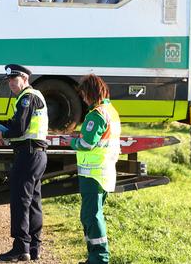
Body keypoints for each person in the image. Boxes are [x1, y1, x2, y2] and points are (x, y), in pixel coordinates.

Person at [0, 64, 48, 262]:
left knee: (20, 201)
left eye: (14, 81)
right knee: (33, 201)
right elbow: (21, 126)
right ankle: (34, 247)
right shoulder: (33, 96)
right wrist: (7, 134)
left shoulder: (27, 97)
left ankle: (20, 248)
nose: (11, 85)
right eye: (9, 81)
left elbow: (20, 128)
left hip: (28, 154)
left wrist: (4, 134)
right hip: (37, 155)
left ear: (25, 79)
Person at [71, 74, 121, 264]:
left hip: (94, 173)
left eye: (84, 94)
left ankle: (99, 258)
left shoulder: (96, 114)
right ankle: (95, 256)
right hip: (104, 171)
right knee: (92, 215)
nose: (83, 98)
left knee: (90, 216)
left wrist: (72, 142)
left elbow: (86, 143)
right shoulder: (111, 111)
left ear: (90, 93)